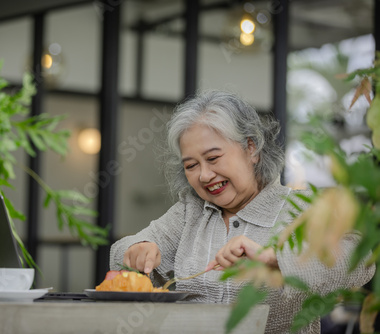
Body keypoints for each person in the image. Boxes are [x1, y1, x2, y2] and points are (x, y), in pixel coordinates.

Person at [109, 90, 375, 334]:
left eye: (213, 158)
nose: (204, 175)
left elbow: (361, 259)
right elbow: (121, 252)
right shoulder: (191, 212)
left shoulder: (300, 208)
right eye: (191, 165)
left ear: (251, 149)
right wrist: (138, 248)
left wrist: (275, 259)